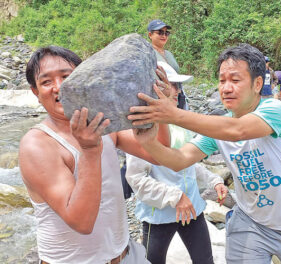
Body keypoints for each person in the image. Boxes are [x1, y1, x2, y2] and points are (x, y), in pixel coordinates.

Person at [128, 43, 281, 264]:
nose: (226, 88)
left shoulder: (273, 110)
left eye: (235, 80)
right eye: (222, 81)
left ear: (258, 84)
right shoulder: (217, 127)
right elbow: (179, 160)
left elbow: (237, 131)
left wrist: (172, 114)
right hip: (249, 223)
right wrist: (148, 142)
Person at [19, 46, 170, 263]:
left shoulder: (103, 123)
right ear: (36, 93)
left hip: (124, 255)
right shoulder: (37, 145)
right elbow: (81, 222)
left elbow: (160, 153)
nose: (59, 87)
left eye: (67, 77)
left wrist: (158, 108)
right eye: (46, 82)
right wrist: (90, 152)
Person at [125, 61, 227, 264]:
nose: (177, 91)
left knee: (204, 260)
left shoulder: (182, 125)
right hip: (159, 216)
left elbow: (189, 163)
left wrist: (214, 180)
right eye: (171, 84)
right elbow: (135, 179)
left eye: (177, 86)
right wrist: (175, 196)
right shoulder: (142, 130)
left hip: (192, 210)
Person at [147, 19, 188, 109]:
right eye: (160, 32)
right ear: (150, 35)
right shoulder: (148, 53)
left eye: (166, 33)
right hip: (161, 97)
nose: (164, 36)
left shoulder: (169, 54)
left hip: (177, 96)